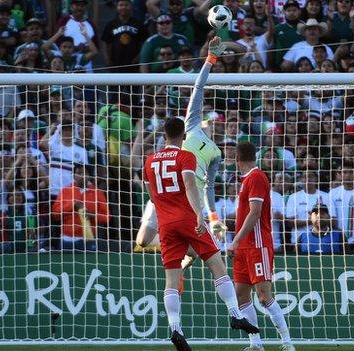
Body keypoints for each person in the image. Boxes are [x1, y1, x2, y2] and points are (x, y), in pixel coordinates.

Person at [142, 118, 258, 351]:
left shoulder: (150, 160)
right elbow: (189, 183)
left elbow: (150, 193)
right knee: (217, 266)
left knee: (171, 281)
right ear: (184, 136)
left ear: (164, 135)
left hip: (165, 224)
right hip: (186, 218)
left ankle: (176, 329)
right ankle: (235, 314)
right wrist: (198, 214)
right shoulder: (186, 156)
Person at [136, 37, 228, 258]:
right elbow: (198, 88)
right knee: (142, 241)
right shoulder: (192, 125)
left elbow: (209, 187)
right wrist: (210, 59)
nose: (213, 123)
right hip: (164, 193)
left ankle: (182, 257)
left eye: (218, 121)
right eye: (211, 119)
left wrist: (214, 217)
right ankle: (179, 249)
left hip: (187, 200)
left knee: (198, 252)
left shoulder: (216, 152)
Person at [227, 141, 294, 351]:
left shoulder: (256, 177)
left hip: (257, 245)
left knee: (264, 296)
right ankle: (255, 343)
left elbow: (255, 213)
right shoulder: (246, 180)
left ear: (237, 159)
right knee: (240, 295)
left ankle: (287, 343)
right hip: (243, 248)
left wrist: (235, 239)